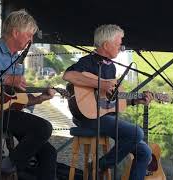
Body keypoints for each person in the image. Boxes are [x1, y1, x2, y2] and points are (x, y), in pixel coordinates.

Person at [0, 9, 56, 180]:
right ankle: (7, 167)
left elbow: (16, 99)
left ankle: (10, 165)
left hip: (11, 114)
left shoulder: (18, 61)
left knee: (49, 152)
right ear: (16, 33)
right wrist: (8, 79)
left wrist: (39, 99)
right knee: (44, 127)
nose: (31, 40)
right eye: (29, 35)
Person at [62, 24, 153, 180]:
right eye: (118, 44)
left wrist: (135, 101)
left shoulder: (111, 68)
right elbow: (68, 76)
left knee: (145, 153)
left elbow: (109, 103)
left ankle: (100, 165)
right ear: (106, 45)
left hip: (103, 116)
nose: (121, 47)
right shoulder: (88, 62)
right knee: (136, 132)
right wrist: (102, 84)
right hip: (86, 118)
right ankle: (100, 165)